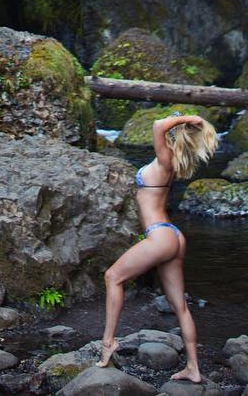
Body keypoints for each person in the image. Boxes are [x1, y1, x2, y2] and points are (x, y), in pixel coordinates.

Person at [98, 111, 219, 384]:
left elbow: (156, 124)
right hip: (173, 236)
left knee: (112, 277)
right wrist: (185, 122)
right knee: (181, 307)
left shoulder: (165, 159)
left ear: (172, 136)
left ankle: (108, 343)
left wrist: (189, 117)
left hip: (159, 235)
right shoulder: (173, 162)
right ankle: (193, 368)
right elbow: (163, 128)